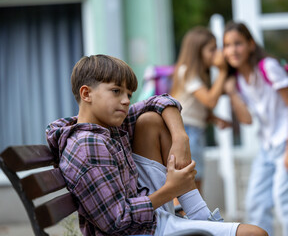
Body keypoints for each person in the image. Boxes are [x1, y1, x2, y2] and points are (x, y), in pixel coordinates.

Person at [46, 54, 268, 236]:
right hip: (139, 231)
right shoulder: (87, 145)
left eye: (128, 94)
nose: (125, 100)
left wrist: (181, 137)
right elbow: (117, 221)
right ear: (87, 94)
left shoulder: (107, 127)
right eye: (116, 91)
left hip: (151, 220)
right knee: (255, 234)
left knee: (151, 120)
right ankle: (202, 217)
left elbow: (160, 101)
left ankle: (201, 215)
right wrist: (171, 189)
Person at [222, 21, 288, 236]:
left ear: (251, 44)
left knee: (287, 203)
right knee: (256, 201)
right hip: (268, 142)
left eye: (238, 44)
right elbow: (247, 120)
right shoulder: (238, 79)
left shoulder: (268, 67)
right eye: (227, 45)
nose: (232, 50)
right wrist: (233, 94)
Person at [170, 26, 231, 192]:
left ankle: (193, 216)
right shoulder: (187, 72)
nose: (217, 53)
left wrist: (214, 118)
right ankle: (185, 216)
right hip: (186, 131)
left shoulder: (197, 73)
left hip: (194, 129)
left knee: (195, 180)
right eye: (212, 49)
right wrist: (223, 71)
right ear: (197, 51)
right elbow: (210, 100)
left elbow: (196, 106)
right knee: (189, 182)